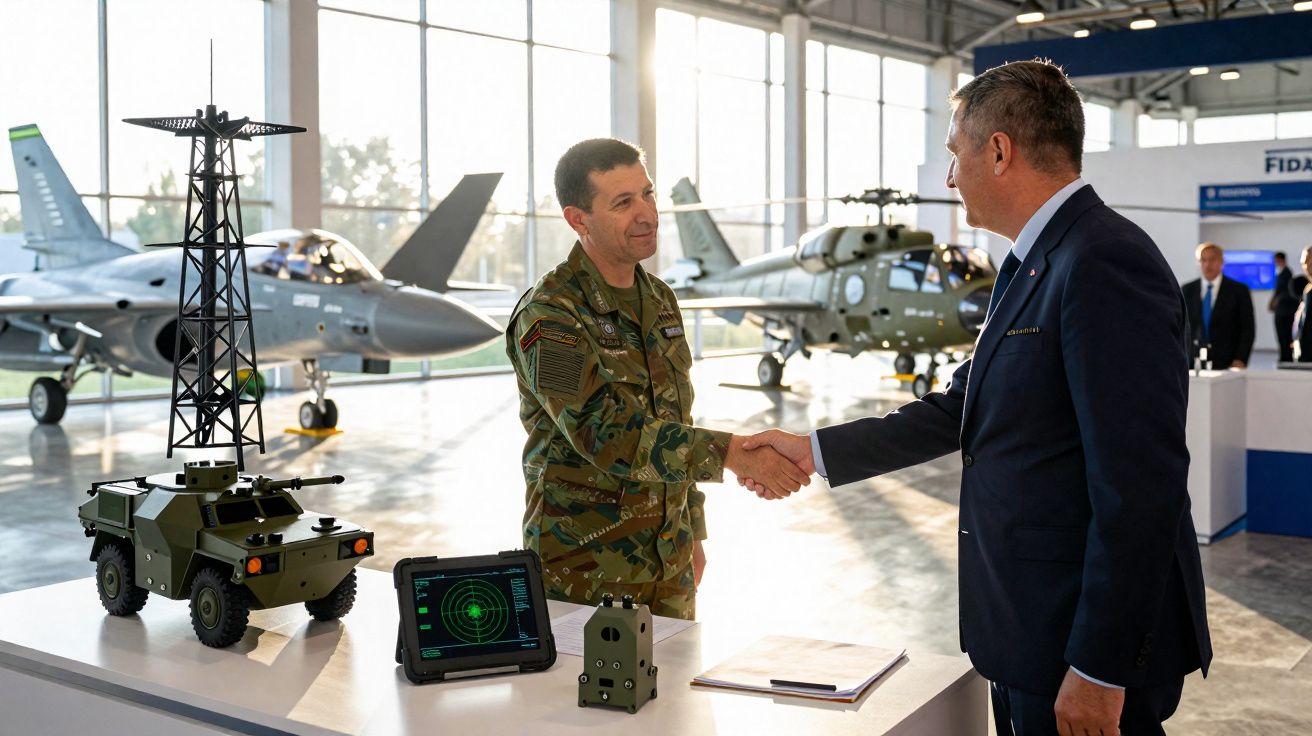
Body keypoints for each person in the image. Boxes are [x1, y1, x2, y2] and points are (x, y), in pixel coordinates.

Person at [738, 60, 1211, 736]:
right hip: (1029, 632)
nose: (950, 177)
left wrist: (1102, 668)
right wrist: (812, 450)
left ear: (998, 151)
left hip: (1075, 646)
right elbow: (963, 407)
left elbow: (1141, 487)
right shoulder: (1032, 262)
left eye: (955, 154)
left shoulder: (1101, 262)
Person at [505, 138, 809, 620]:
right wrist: (731, 453)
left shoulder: (660, 299)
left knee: (673, 692)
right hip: (584, 567)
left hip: (668, 561)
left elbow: (673, 418)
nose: (646, 214)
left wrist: (692, 532)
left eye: (647, 195)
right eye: (622, 203)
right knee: (577, 695)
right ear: (578, 219)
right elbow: (601, 431)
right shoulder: (551, 316)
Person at [1181, 243, 1254, 369]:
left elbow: (1248, 328)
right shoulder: (1187, 290)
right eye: (1203, 260)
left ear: (1221, 262)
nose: (1207, 264)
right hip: (1192, 362)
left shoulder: (1238, 291)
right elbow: (1180, 326)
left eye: (1212, 259)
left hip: (1227, 361)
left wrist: (1240, 359)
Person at [1270, 251, 1299, 362]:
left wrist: (1277, 300)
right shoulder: (1280, 273)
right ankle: (1283, 356)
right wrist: (1272, 301)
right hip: (1280, 311)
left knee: (1285, 335)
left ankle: (1287, 358)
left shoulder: (1287, 273)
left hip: (1286, 311)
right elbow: (1278, 291)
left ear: (1281, 259)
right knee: (1281, 335)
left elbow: (1288, 292)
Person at [1295, 246, 1312, 362]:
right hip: (1305, 351)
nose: (1307, 266)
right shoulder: (1308, 288)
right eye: (1304, 262)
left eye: (1310, 260)